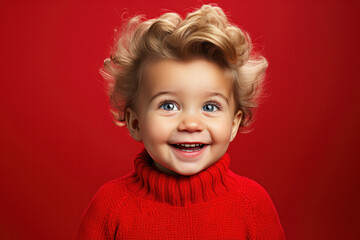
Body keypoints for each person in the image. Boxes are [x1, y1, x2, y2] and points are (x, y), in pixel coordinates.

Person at [75, 4, 285, 239]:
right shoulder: (110, 208)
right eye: (168, 105)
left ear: (234, 124)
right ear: (135, 123)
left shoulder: (253, 205)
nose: (191, 124)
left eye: (210, 107)